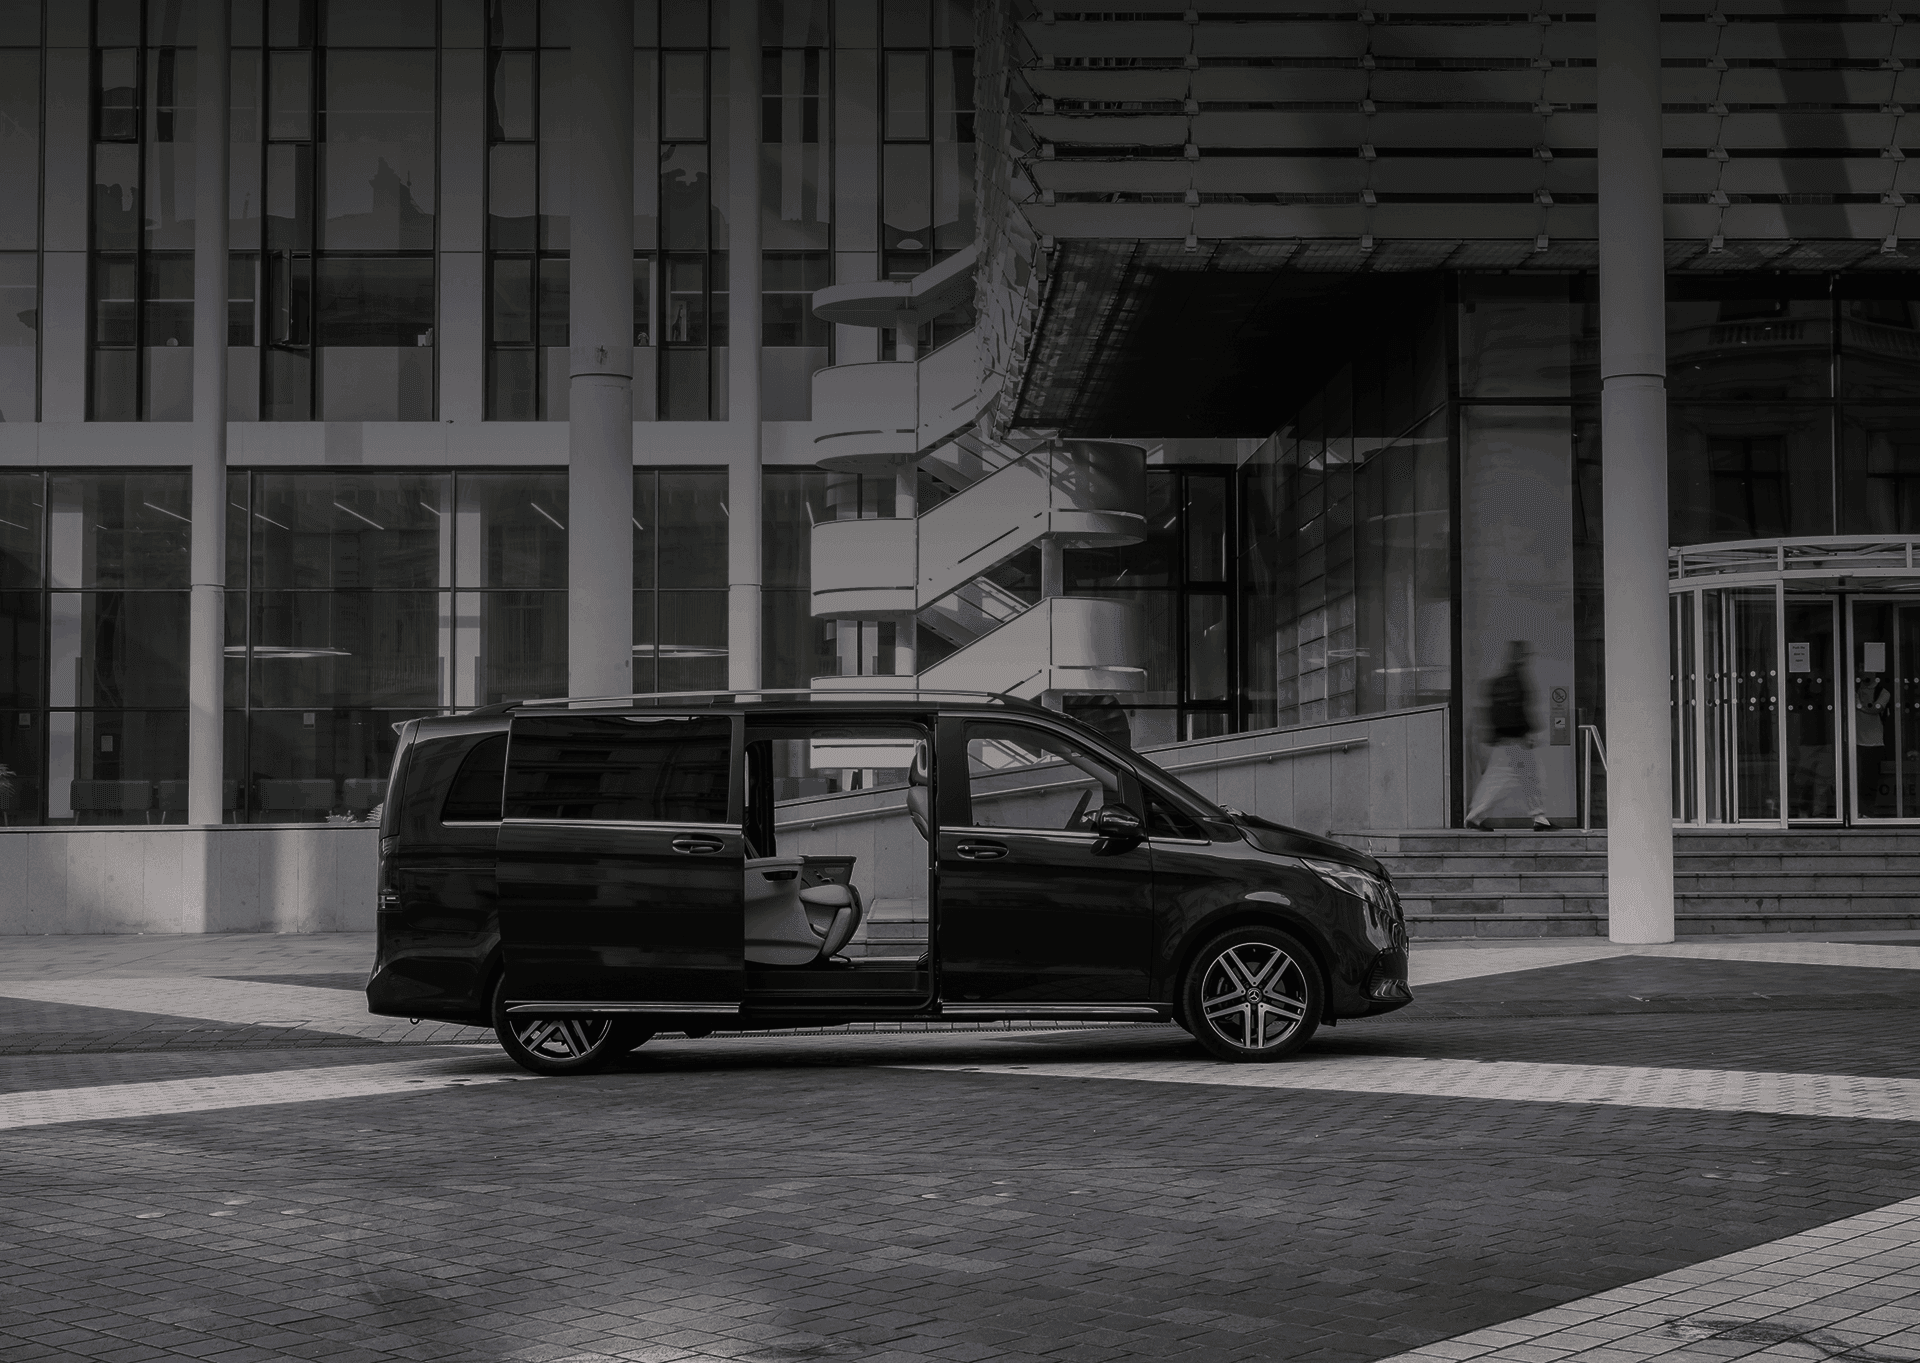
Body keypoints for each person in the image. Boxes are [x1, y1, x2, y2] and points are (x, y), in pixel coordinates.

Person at [1465, 640, 1552, 831]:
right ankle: (1538, 818)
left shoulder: (1502, 681)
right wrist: (1528, 732)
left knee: (1500, 779)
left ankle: (1476, 816)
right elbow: (1521, 710)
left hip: (1504, 741)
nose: (1528, 658)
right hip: (1515, 741)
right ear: (1519, 656)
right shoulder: (1517, 679)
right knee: (1524, 778)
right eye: (1525, 655)